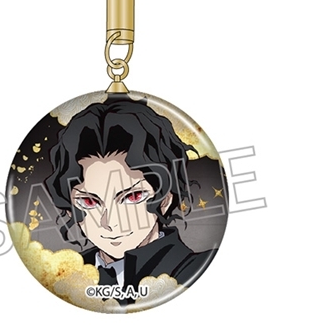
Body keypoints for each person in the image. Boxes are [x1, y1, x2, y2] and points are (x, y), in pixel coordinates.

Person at [44, 96, 216, 303]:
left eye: (132, 197)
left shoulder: (198, 271)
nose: (110, 222)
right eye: (90, 202)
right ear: (70, 206)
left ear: (165, 198)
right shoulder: (63, 277)